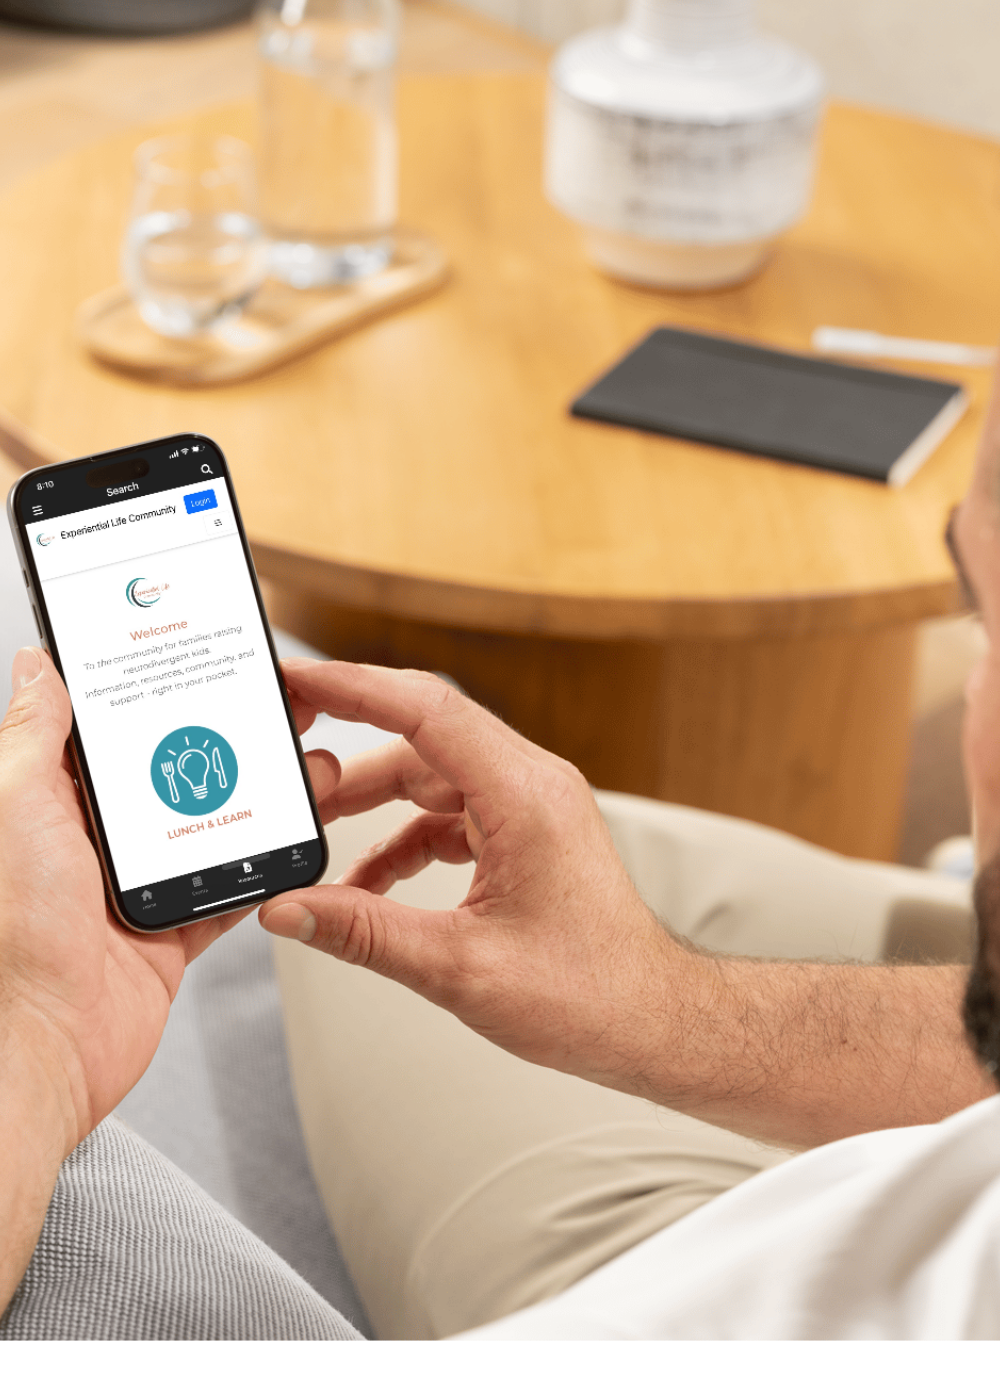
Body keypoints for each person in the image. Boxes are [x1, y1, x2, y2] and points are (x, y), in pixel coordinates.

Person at [2, 389, 1000, 1338]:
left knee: (351, 813)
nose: (971, 705)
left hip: (684, 1255)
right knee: (519, 824)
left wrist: (38, 1040)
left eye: (982, 623)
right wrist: (663, 1004)